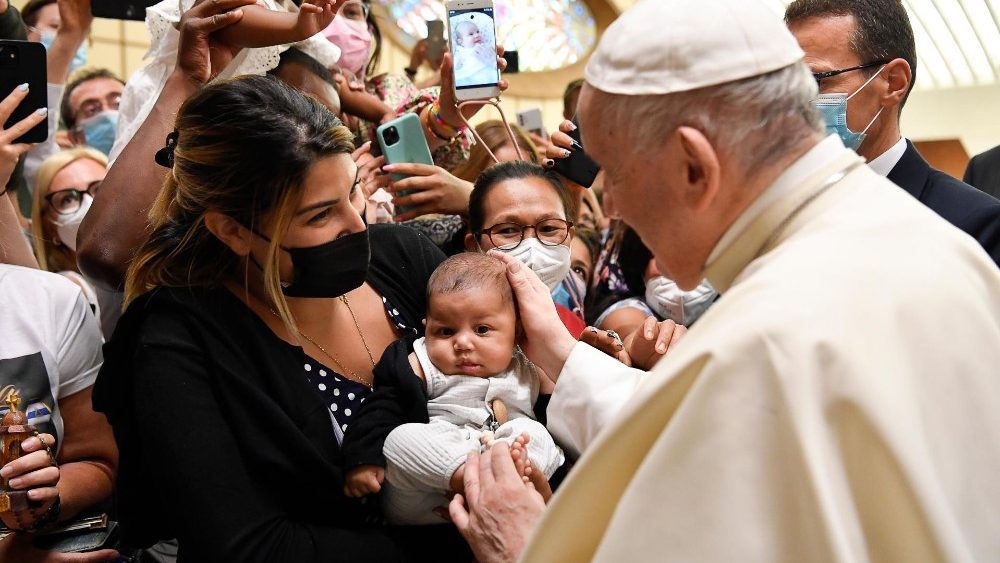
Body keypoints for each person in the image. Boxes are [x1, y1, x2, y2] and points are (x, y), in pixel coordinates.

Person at [446, 1, 1000, 561]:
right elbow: (708, 430)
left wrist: (526, 549)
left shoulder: (769, 336)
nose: (609, 203)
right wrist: (562, 353)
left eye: (616, 172)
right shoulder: (909, 237)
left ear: (694, 165)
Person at [92, 74, 474, 560]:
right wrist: (458, 543)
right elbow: (246, 545)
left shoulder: (404, 260)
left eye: (354, 192)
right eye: (319, 215)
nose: (357, 225)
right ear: (232, 230)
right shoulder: (177, 339)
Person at [342, 253, 563, 525]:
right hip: (431, 490)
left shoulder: (528, 365)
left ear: (516, 332)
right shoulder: (419, 362)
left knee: (534, 434)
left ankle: (506, 477)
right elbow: (382, 407)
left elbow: (560, 413)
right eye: (446, 331)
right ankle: (475, 481)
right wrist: (362, 456)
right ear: (426, 329)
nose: (462, 343)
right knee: (400, 438)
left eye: (482, 329)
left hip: (504, 459)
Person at [784, 0, 1000, 267]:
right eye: (787, 84)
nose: (792, 104)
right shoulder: (782, 216)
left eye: (814, 81)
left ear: (893, 82)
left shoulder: (975, 227)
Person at [108, 0, 342, 165]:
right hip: (181, 104)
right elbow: (234, 19)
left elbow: (326, 79)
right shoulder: (275, 16)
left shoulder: (291, 11)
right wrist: (296, 26)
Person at [30, 147, 106, 315]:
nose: (90, 204)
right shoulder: (67, 293)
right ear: (51, 230)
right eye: (67, 199)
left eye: (100, 188)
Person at [451, 19, 495, 86]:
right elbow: (455, 65)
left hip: (486, 73)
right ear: (461, 42)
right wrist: (456, 63)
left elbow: (492, 54)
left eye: (478, 32)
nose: (477, 35)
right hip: (469, 77)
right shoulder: (461, 51)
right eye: (471, 34)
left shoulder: (484, 46)